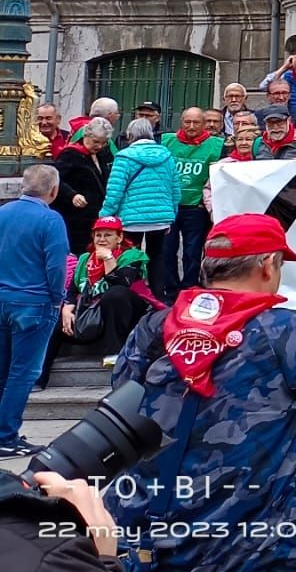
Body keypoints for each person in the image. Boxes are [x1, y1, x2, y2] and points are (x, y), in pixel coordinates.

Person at [105, 213, 296, 570]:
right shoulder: (286, 331)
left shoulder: (155, 328)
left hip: (162, 540)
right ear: (266, 265)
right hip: (265, 548)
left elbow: (125, 396)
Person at [0, 165, 68, 457]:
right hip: (35, 301)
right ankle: (6, 435)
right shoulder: (50, 220)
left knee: (4, 370)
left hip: (3, 297)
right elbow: (56, 265)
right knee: (23, 373)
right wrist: (58, 298)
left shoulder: (3, 214)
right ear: (53, 190)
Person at [99, 118, 180, 304]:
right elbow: (175, 189)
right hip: (161, 218)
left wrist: (104, 216)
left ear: (130, 136)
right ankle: (159, 299)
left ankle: (132, 296)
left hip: (130, 218)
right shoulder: (167, 156)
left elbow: (114, 192)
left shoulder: (124, 157)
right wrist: (172, 215)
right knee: (157, 257)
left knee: (130, 257)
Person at [60, 217, 158, 366]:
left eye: (108, 235)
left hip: (129, 313)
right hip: (92, 312)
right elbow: (73, 289)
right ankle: (38, 374)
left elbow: (122, 284)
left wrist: (108, 258)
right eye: (98, 235)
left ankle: (116, 351)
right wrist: (67, 306)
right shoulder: (85, 259)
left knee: (115, 294)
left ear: (119, 237)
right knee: (52, 312)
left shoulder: (132, 256)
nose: (102, 239)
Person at [160, 107, 222, 297]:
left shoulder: (216, 145)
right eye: (187, 122)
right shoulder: (167, 141)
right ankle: (170, 290)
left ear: (204, 124)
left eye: (196, 122)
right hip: (170, 206)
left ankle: (189, 289)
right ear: (181, 122)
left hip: (196, 207)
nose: (191, 126)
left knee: (192, 252)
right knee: (167, 251)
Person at [54, 117, 113, 254]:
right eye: (96, 142)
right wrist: (72, 195)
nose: (99, 146)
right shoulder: (70, 154)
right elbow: (56, 179)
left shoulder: (101, 154)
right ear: (86, 135)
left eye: (103, 143)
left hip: (94, 215)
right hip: (76, 217)